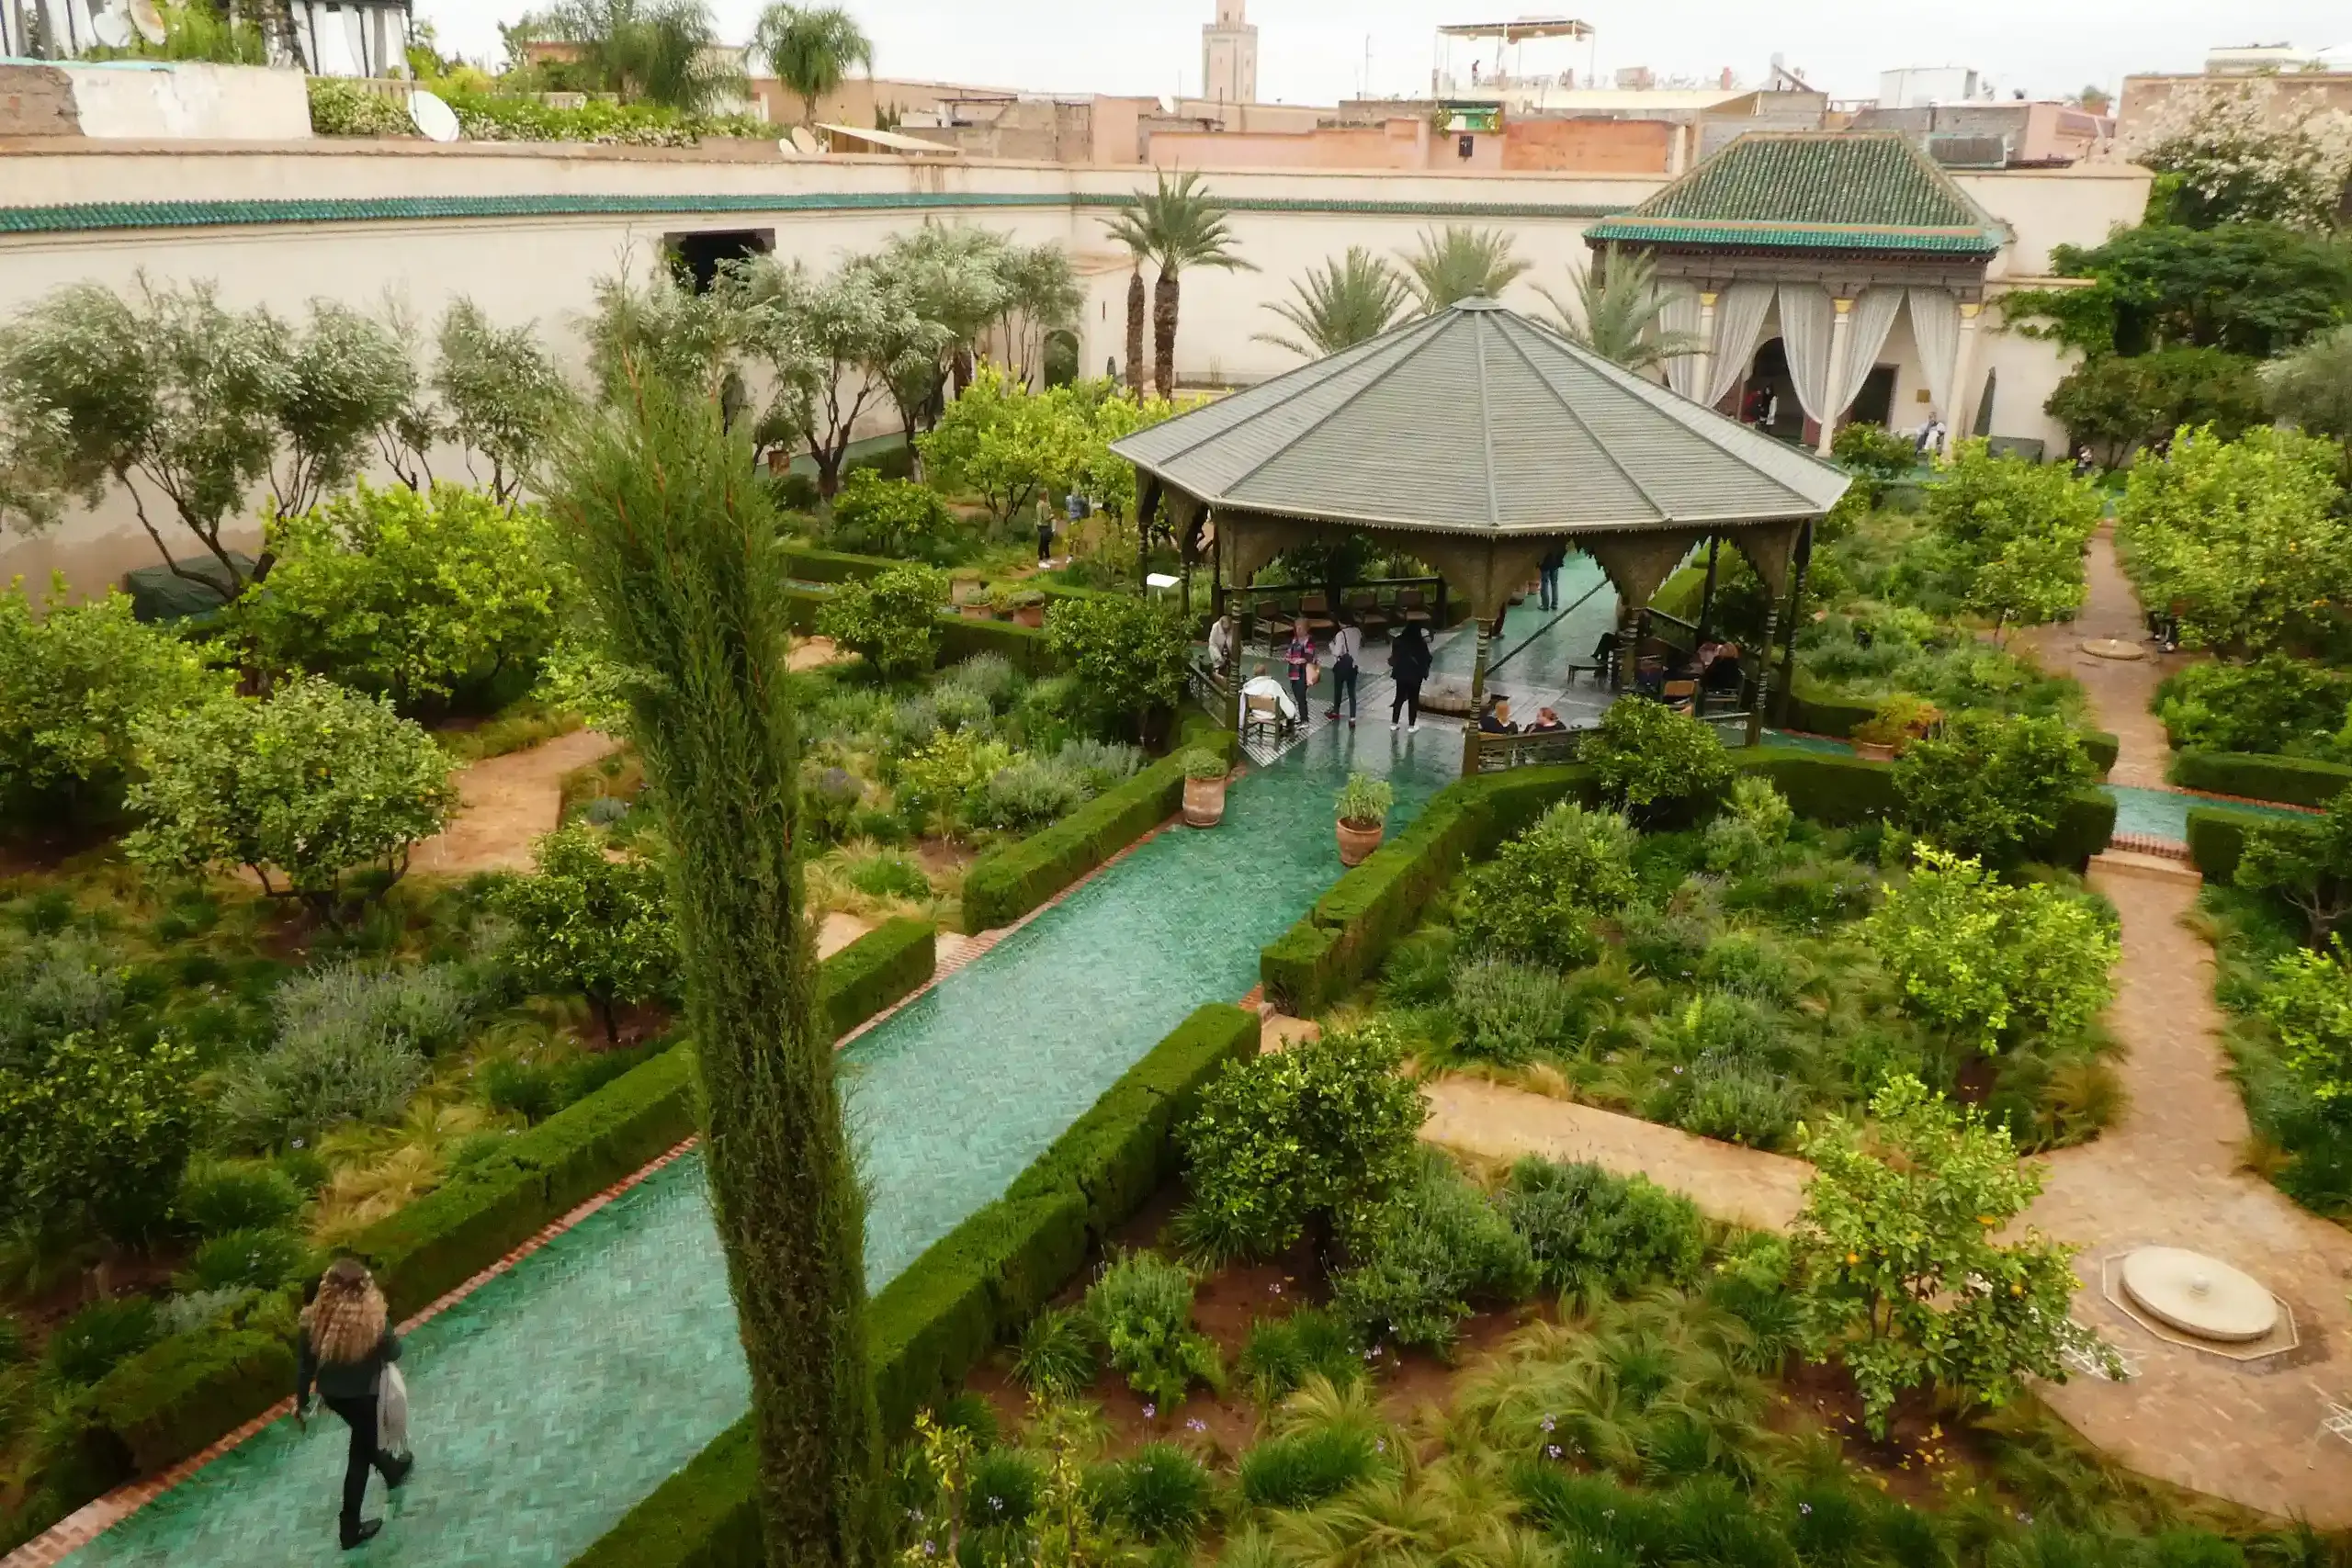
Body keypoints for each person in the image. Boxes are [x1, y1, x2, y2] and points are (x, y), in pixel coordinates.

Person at [297, 1258, 413, 1551]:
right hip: (366, 1395)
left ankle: (391, 1470)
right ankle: (349, 1529)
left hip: (335, 1398)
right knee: (359, 1456)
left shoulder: (312, 1320)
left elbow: (305, 1366)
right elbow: (394, 1351)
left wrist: (300, 1401)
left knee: (364, 1439)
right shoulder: (372, 1321)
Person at [1388, 620, 1431, 733]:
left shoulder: (1398, 641)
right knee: (1413, 700)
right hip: (1415, 676)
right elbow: (1428, 658)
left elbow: (1393, 658)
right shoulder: (1421, 643)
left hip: (1401, 674)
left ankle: (1394, 723)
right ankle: (1411, 726)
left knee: (1399, 698)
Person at [1323, 613, 1363, 727]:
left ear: (1341, 622)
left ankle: (1336, 711)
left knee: (1338, 689)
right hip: (1353, 665)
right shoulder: (1357, 631)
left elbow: (1337, 652)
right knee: (1352, 692)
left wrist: (1331, 645)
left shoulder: (1340, 634)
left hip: (1342, 666)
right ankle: (1352, 718)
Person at [1241, 662, 1298, 729]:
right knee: (1287, 705)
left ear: (1254, 673)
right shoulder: (1272, 684)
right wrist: (1291, 713)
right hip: (1272, 715)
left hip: (1256, 713)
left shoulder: (1249, 686)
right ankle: (1287, 729)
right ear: (1265, 672)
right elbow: (1284, 702)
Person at [1282, 617, 1315, 720]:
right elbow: (1289, 651)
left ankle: (1304, 719)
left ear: (1306, 629)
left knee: (1301, 696)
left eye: (1301, 628)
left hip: (1303, 671)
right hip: (1293, 671)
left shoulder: (1309, 640)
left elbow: (1309, 656)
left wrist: (1300, 660)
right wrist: (1287, 657)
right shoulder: (1294, 640)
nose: (1298, 630)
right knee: (1296, 694)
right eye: (1297, 628)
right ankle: (1299, 717)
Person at [1539, 541, 1566, 612]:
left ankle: (1545, 605)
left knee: (1545, 583)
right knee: (1554, 583)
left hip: (1545, 563)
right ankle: (1554, 604)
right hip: (1555, 562)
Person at [1035, 495, 1055, 565]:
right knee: (1044, 541)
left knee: (1044, 541)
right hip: (1045, 525)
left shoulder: (1038, 504)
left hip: (1039, 524)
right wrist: (1052, 516)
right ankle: (1042, 558)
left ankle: (1045, 556)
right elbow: (1046, 518)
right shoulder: (1045, 505)